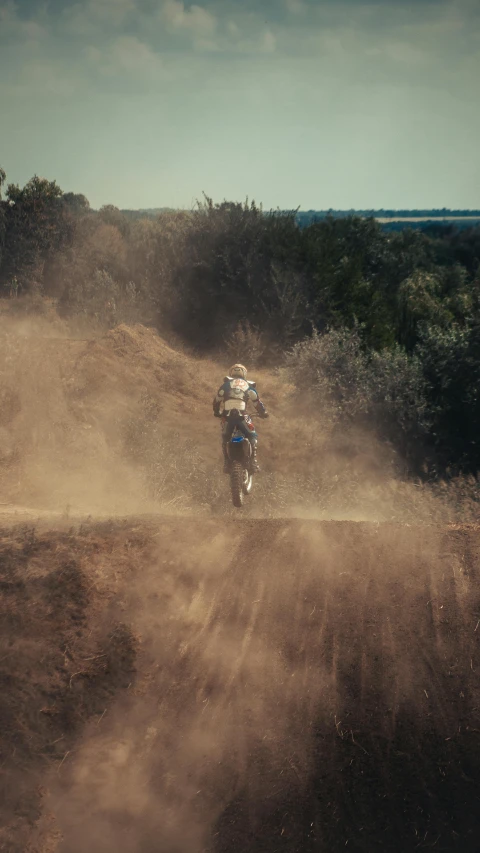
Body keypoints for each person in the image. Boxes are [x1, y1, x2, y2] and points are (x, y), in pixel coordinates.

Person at [213, 363, 269, 474]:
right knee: (252, 435)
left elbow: (217, 401)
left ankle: (227, 463)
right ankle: (253, 462)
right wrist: (263, 413)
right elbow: (257, 403)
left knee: (225, 438)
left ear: (231, 372)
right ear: (244, 373)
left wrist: (217, 412)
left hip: (227, 417)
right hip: (243, 416)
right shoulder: (249, 385)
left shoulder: (225, 385)